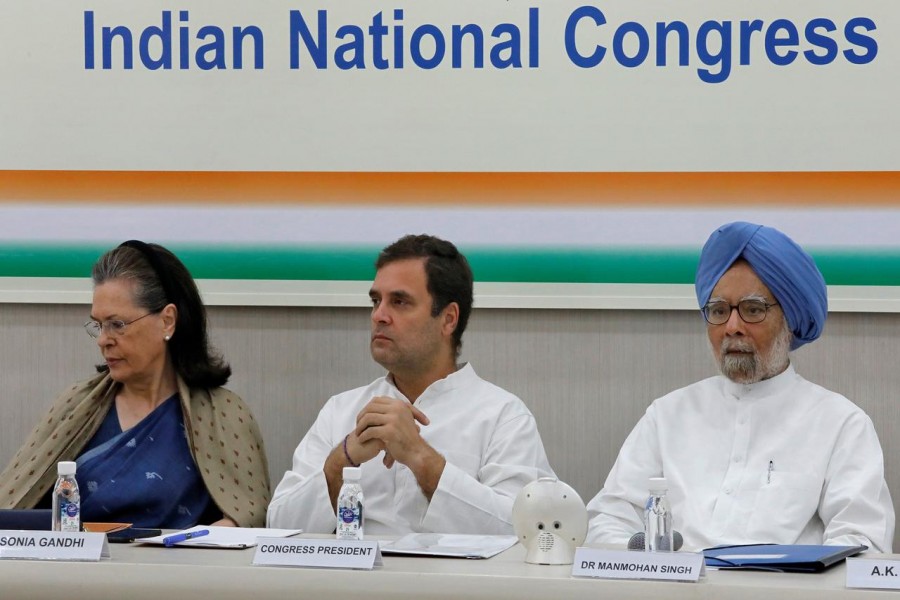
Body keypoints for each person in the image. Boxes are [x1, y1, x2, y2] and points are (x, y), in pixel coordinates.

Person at [586, 221, 895, 552]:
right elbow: (608, 521)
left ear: (790, 320)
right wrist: (650, 557)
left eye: (753, 310)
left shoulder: (841, 424)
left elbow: (862, 543)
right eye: (719, 310)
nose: (732, 326)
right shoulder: (667, 415)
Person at [267, 234, 554, 534]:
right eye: (376, 301)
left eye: (400, 302)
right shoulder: (340, 410)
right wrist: (342, 460)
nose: (379, 316)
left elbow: (526, 533)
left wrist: (421, 458)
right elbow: (279, 528)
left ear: (448, 319)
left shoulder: (504, 417)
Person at [0, 241, 270, 528]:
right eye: (98, 325)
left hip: (180, 557)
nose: (103, 340)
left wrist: (197, 541)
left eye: (117, 324)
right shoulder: (75, 405)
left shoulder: (224, 414)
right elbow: (16, 505)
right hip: (78, 556)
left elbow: (249, 517)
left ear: (167, 321)